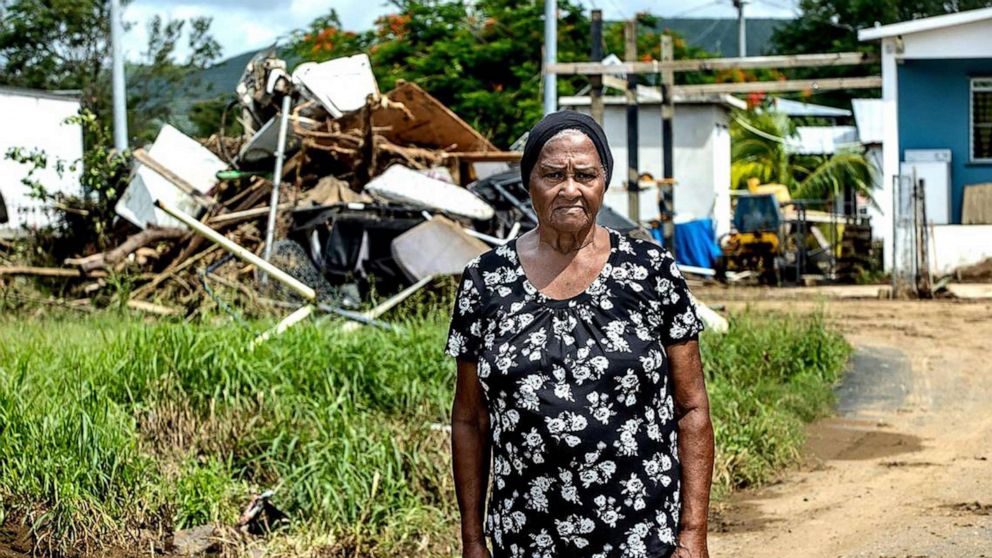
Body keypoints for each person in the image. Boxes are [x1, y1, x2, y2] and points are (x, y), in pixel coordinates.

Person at [446, 111, 714, 558]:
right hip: (525, 536)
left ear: (602, 183)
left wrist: (693, 533)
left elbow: (691, 409)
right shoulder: (486, 279)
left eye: (585, 175)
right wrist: (473, 540)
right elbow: (470, 420)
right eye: (553, 174)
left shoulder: (650, 271)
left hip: (640, 535)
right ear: (528, 182)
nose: (570, 189)